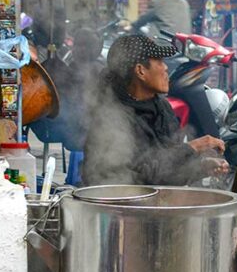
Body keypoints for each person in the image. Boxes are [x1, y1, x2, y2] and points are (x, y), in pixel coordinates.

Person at [83, 34, 227, 186]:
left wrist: (201, 167)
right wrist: (193, 147)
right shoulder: (111, 118)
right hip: (120, 204)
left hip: (156, 201)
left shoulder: (161, 107)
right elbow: (141, 177)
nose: (165, 67)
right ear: (140, 71)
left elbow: (167, 169)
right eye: (159, 61)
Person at [28, 27, 104, 151]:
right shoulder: (71, 67)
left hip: (79, 132)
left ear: (94, 49)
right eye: (77, 45)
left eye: (84, 45)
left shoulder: (98, 71)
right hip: (65, 127)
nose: (79, 49)